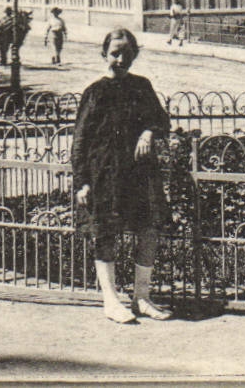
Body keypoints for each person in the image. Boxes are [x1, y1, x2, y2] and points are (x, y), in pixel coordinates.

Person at [71, 28, 173, 323]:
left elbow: (161, 120)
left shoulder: (142, 87)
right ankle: (111, 300)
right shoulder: (95, 92)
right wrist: (82, 182)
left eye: (127, 54)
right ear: (104, 54)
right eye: (115, 52)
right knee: (106, 234)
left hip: (139, 174)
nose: (120, 59)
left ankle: (142, 297)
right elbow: (80, 141)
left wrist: (148, 132)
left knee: (149, 230)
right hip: (105, 174)